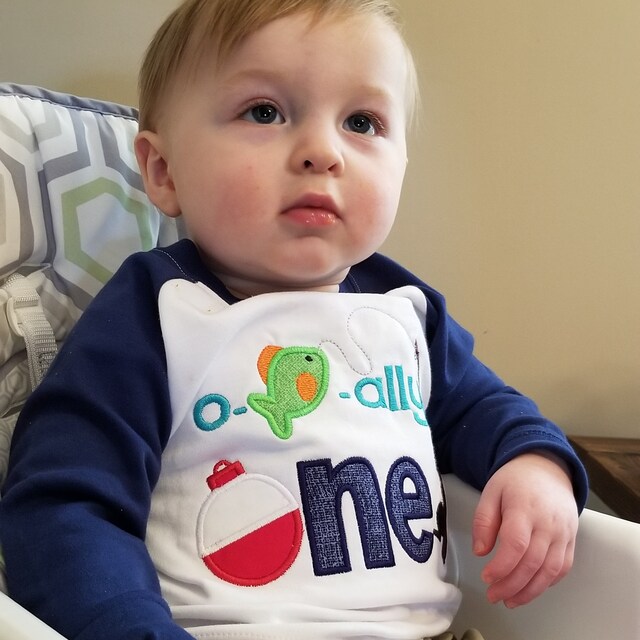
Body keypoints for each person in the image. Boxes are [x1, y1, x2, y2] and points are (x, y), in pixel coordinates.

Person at [0, 1, 588, 639]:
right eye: (264, 112)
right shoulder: (157, 312)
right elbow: (64, 506)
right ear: (164, 172)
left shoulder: (404, 312)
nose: (322, 152)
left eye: (362, 122)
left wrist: (536, 462)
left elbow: (487, 411)